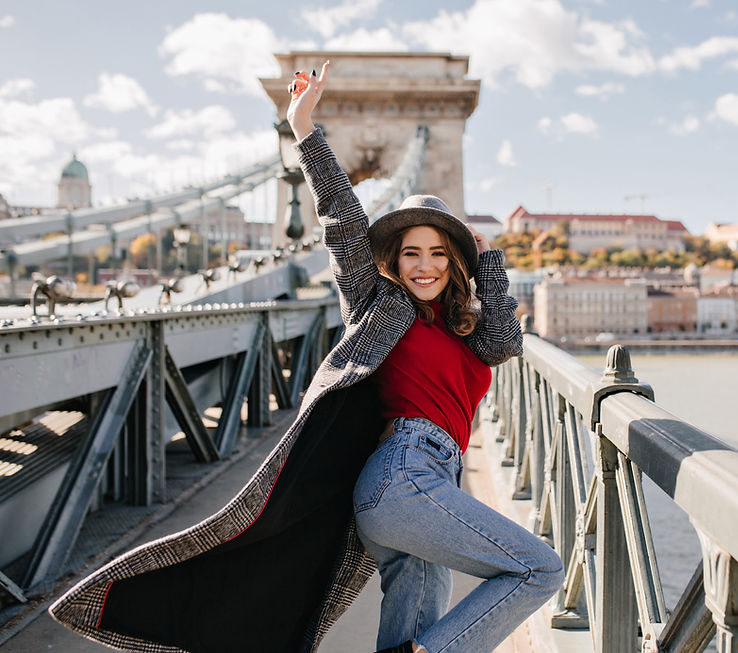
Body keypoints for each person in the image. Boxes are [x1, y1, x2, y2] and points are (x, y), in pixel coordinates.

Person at [49, 62, 562, 653]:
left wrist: (488, 261)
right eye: (411, 252)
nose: (424, 265)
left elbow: (503, 344)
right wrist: (304, 128)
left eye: (440, 253)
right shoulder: (378, 306)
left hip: (434, 480)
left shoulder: (463, 326)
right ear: (391, 260)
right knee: (539, 568)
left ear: (455, 261)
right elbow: (344, 222)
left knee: (414, 623)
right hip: (402, 478)